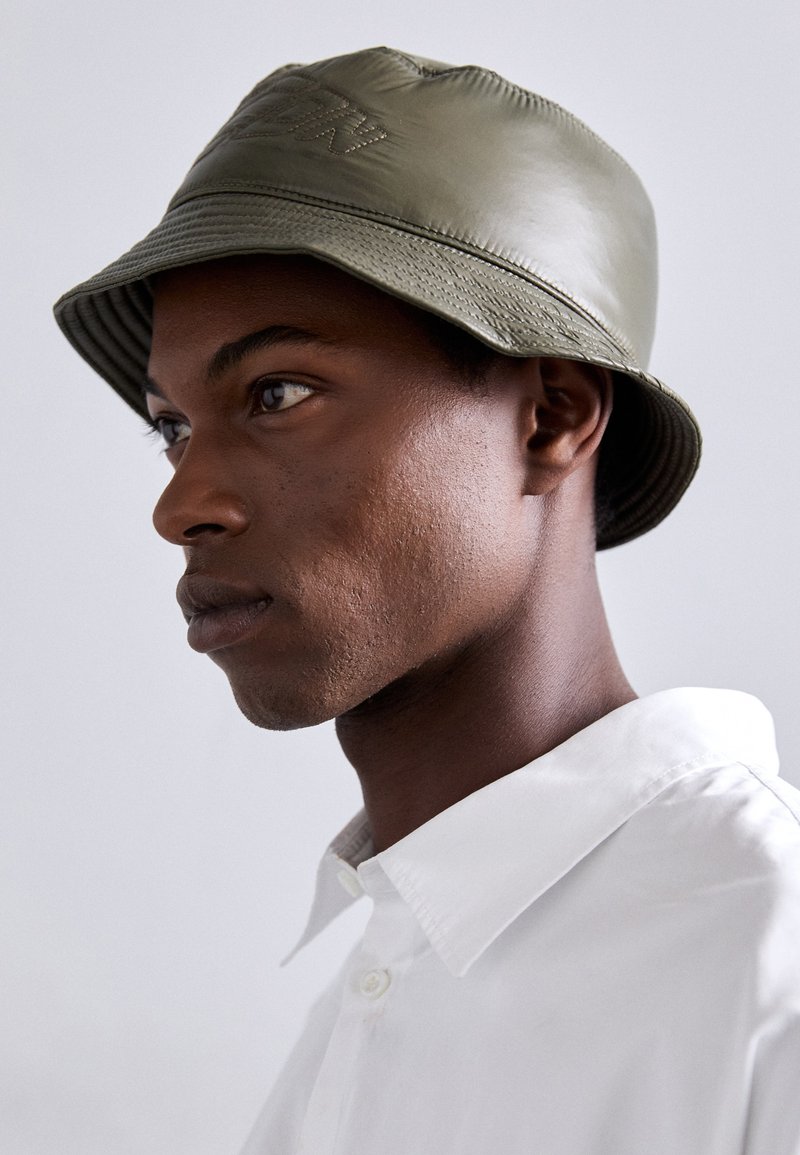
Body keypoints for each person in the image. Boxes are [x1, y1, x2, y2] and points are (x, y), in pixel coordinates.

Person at [54, 46, 800, 1155]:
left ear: (550, 416)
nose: (181, 505)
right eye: (171, 427)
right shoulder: (379, 991)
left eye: (278, 391)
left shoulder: (761, 958)